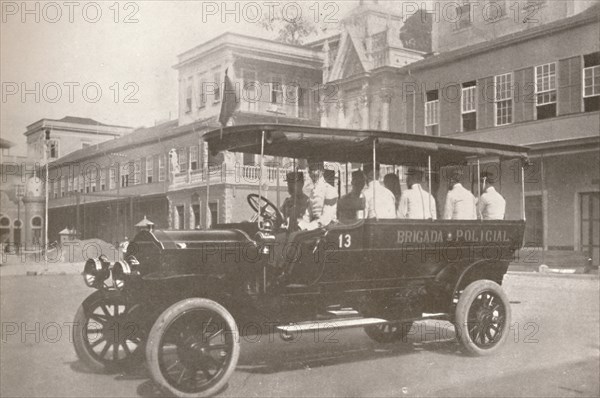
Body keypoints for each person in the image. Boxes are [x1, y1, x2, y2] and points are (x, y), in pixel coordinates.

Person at [298, 161, 338, 230]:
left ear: (322, 171)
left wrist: (309, 226)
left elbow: (326, 218)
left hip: (328, 229)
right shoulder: (312, 192)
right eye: (310, 169)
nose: (311, 172)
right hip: (316, 227)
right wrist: (300, 224)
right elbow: (308, 214)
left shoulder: (330, 190)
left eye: (314, 169)